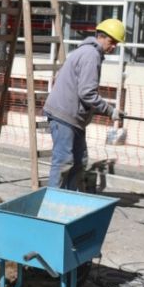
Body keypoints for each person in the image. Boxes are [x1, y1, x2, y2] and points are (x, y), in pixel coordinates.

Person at [42, 19, 125, 191]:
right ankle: (52, 199)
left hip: (73, 117)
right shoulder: (91, 55)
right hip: (65, 114)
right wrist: (110, 110)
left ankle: (70, 198)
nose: (114, 46)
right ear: (101, 37)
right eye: (112, 41)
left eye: (117, 43)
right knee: (64, 160)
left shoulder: (87, 52)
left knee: (80, 160)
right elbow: (87, 93)